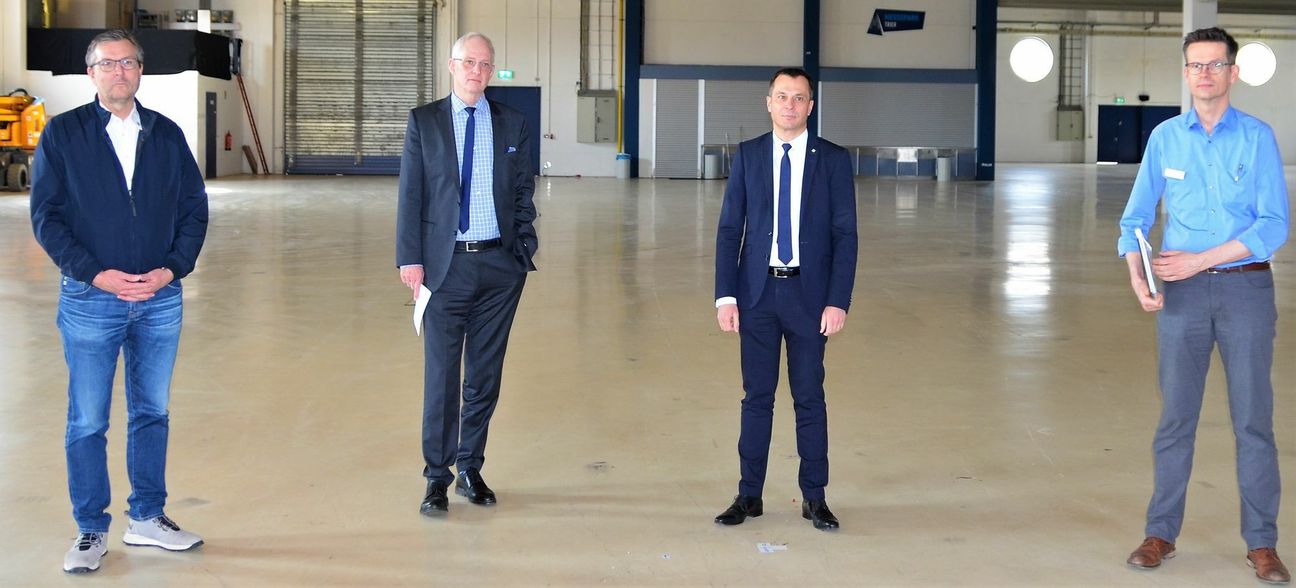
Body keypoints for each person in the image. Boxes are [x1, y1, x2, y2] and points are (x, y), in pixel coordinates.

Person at [29, 29, 209, 574]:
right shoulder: (63, 134)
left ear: (140, 70)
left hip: (159, 299)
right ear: (91, 74)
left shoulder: (167, 134)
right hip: (91, 300)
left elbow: (193, 210)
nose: (118, 72)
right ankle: (90, 529)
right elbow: (46, 218)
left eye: (128, 63)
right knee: (87, 419)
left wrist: (170, 270)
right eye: (107, 64)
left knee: (152, 412)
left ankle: (148, 517)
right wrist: (96, 275)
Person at [1118, 26, 1289, 584]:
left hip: (1245, 290)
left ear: (1233, 73)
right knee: (1175, 421)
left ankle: (1262, 543)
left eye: (1216, 65)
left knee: (1253, 423)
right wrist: (1140, 278)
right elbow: (1135, 220)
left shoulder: (1258, 137)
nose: (1205, 74)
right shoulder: (1166, 138)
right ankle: (1160, 533)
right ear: (1186, 72)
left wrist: (1199, 258)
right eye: (1195, 66)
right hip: (1183, 299)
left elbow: (1273, 224)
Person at [395, 32, 537, 517]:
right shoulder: (425, 122)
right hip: (444, 268)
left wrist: (522, 250)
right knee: (441, 377)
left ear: (492, 71)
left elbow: (523, 192)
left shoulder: (513, 123)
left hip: (499, 268)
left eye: (486, 64)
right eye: (469, 62)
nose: (477, 71)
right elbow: (410, 194)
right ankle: (436, 477)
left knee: (483, 375)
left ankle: (470, 467)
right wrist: (409, 259)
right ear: (452, 66)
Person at [712, 67, 857, 531]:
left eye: (799, 97)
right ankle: (748, 495)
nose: (789, 104)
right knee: (756, 397)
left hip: (809, 298)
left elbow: (845, 235)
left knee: (809, 397)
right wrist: (725, 296)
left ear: (810, 106)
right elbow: (730, 229)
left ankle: (814, 497)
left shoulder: (832, 159)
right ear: (768, 102)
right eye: (782, 96)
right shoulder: (750, 155)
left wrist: (838, 300)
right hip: (756, 296)